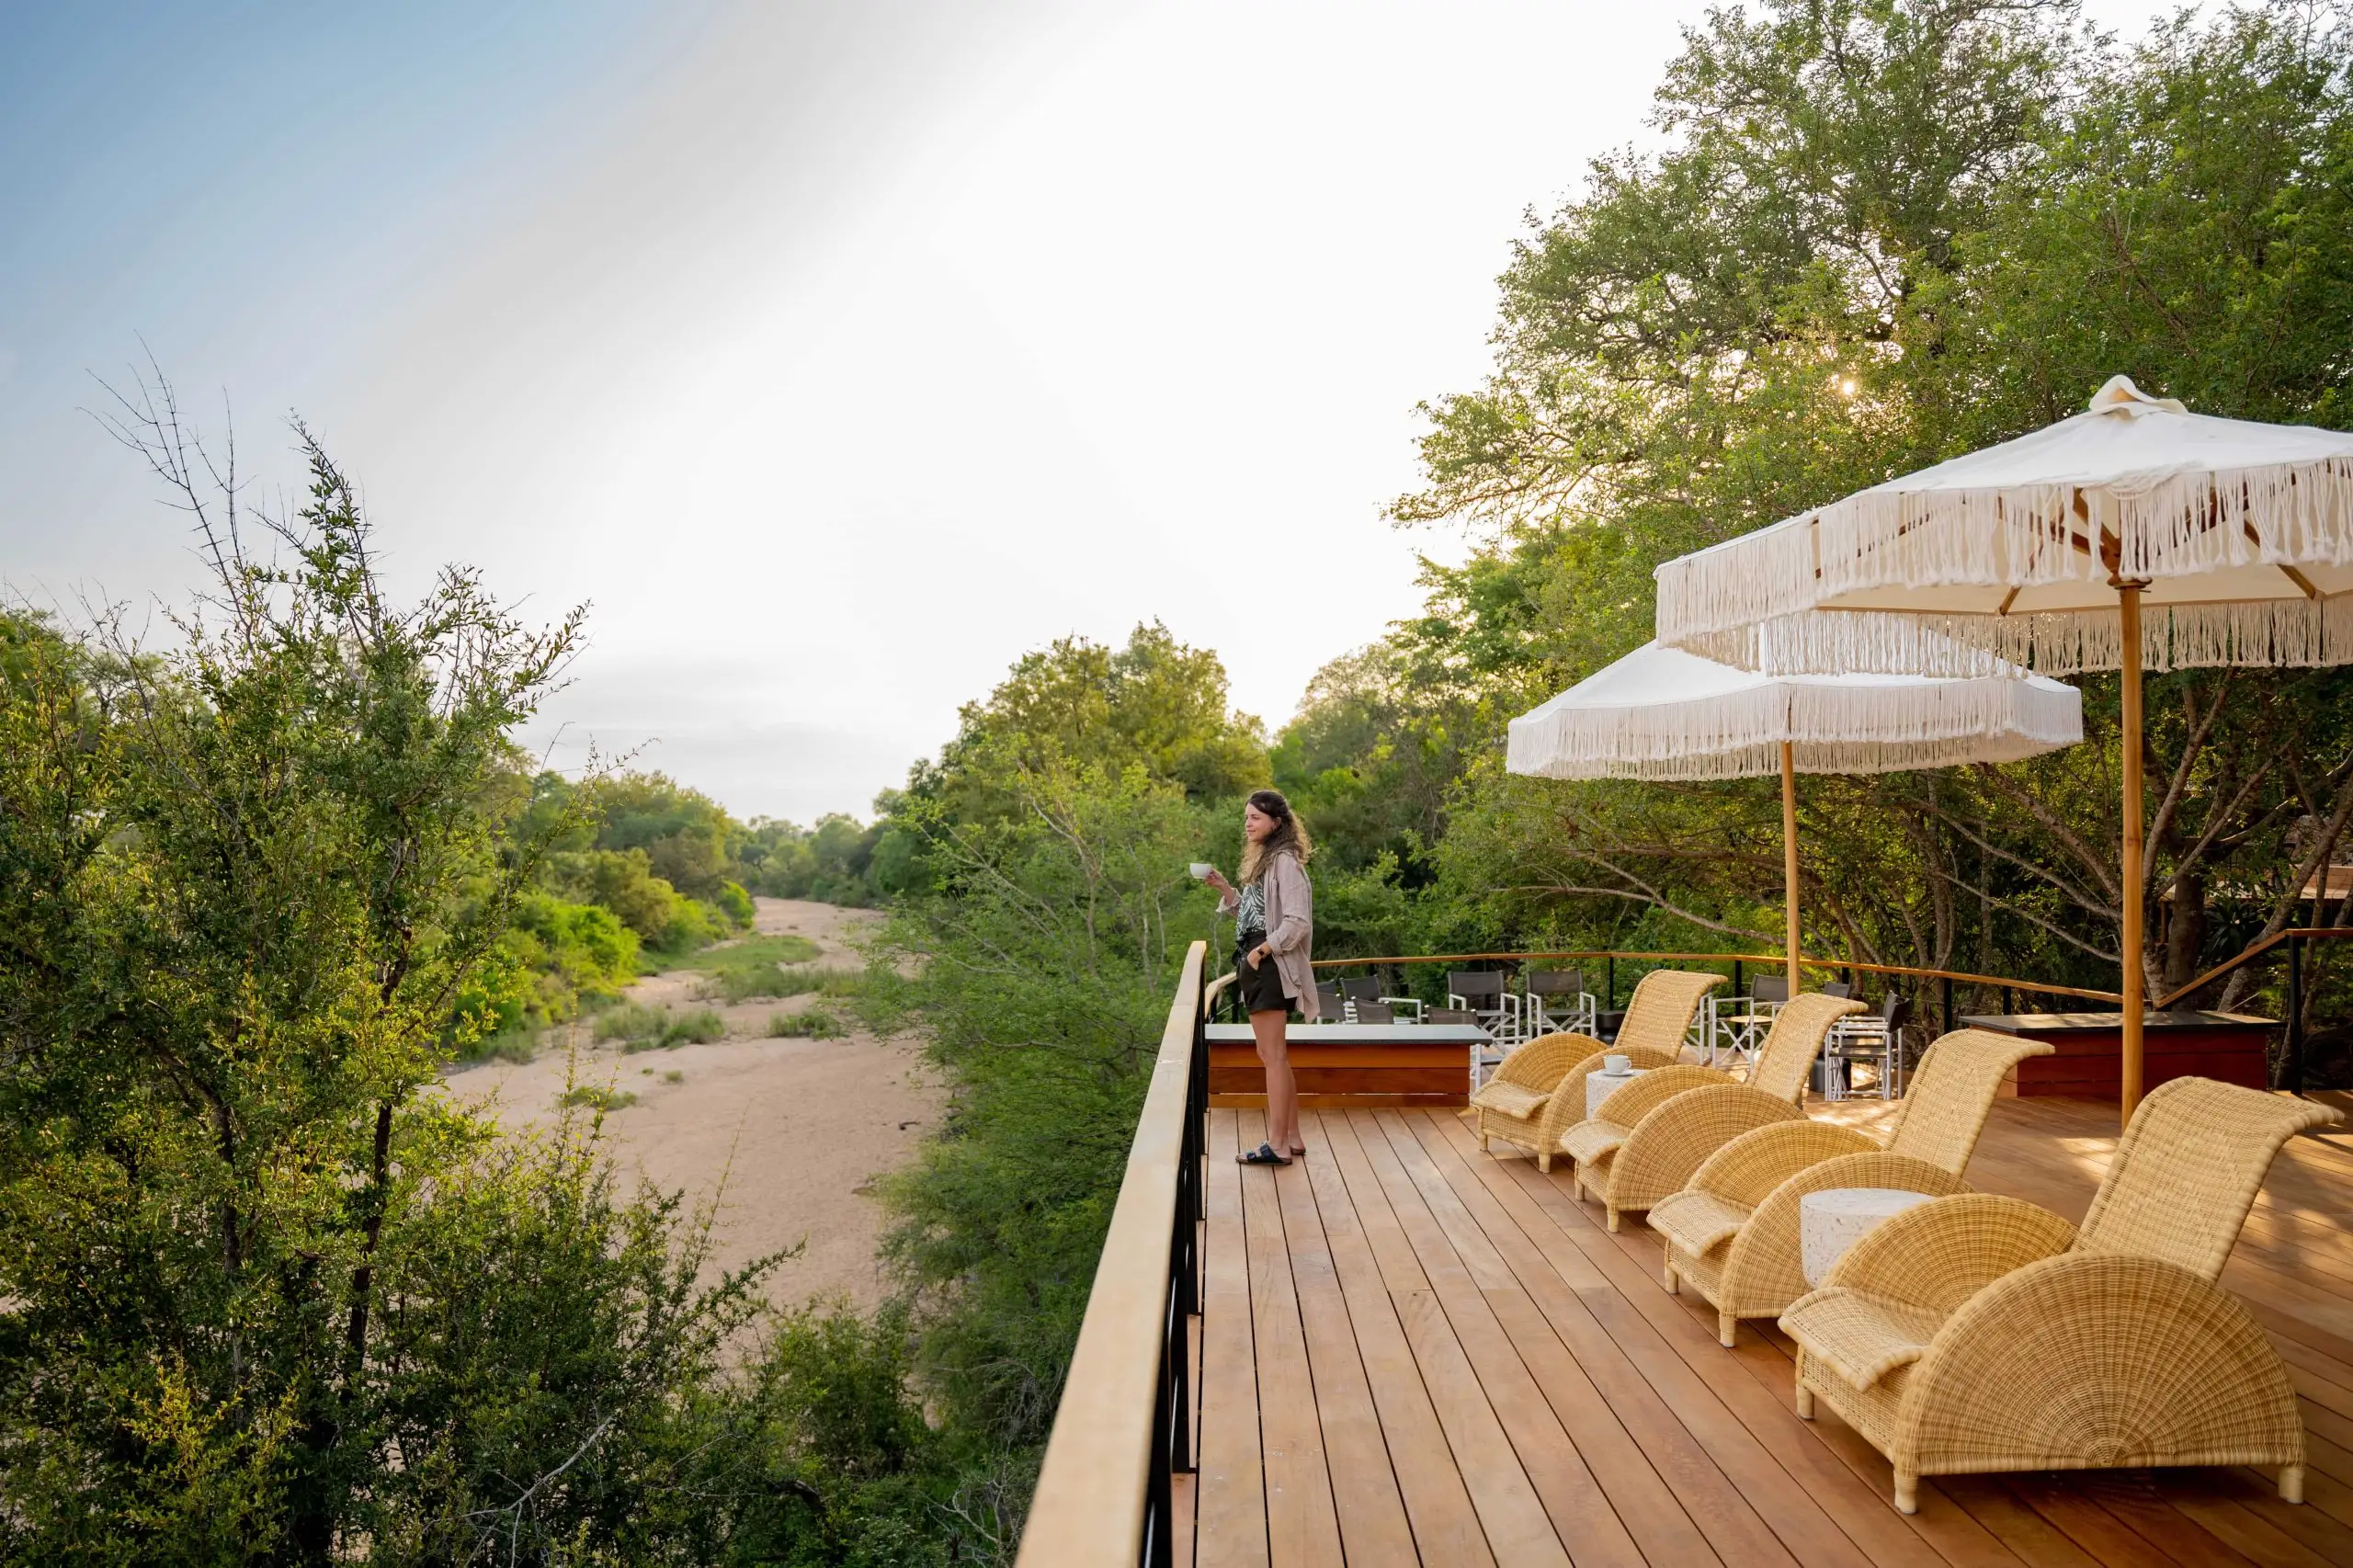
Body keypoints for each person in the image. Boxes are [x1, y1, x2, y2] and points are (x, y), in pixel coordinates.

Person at [1202, 789, 1315, 1165]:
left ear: (1276, 823)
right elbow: (1252, 916)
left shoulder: (1284, 861)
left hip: (1267, 965)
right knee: (1274, 1056)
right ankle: (1293, 1138)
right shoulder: (1266, 863)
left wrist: (1262, 951)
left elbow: (1297, 921)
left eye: (1255, 817)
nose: (1248, 824)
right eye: (1246, 817)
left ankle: (1278, 1145)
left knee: (1273, 1057)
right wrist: (1225, 890)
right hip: (1257, 962)